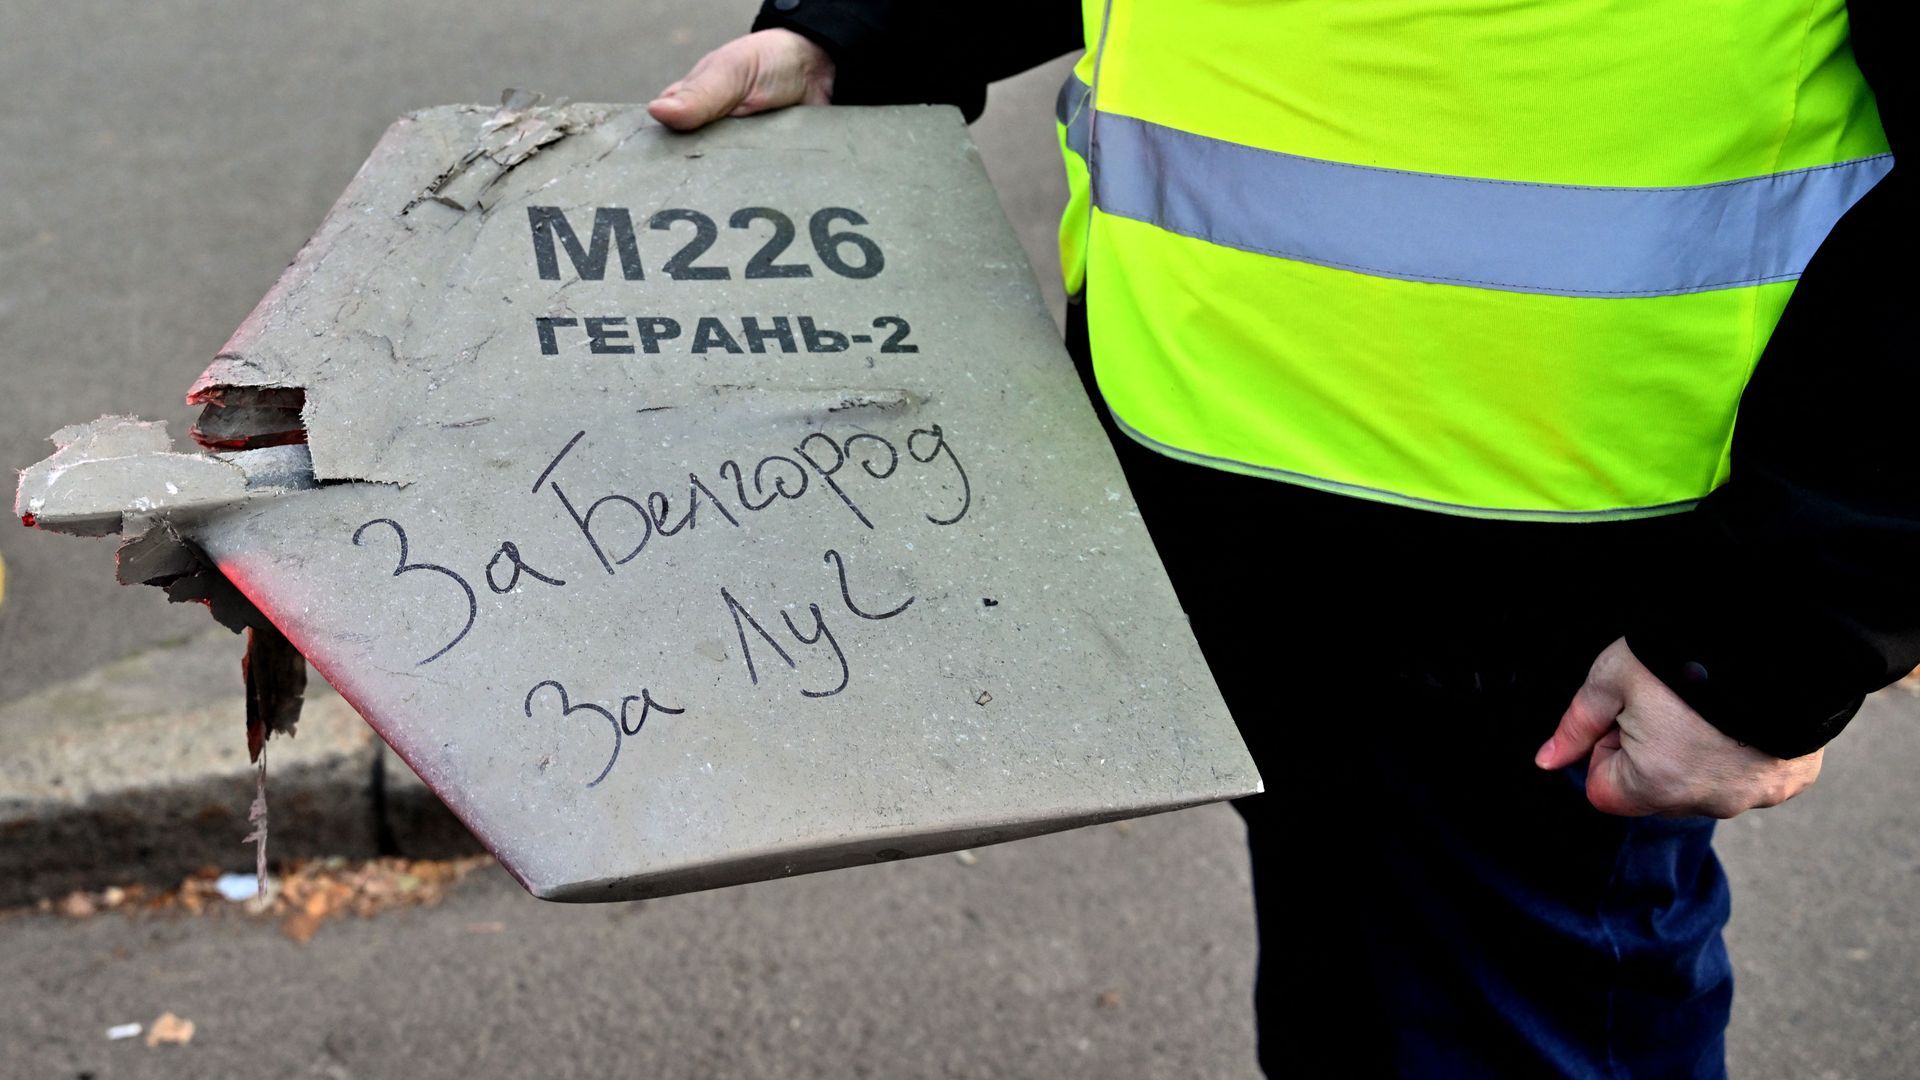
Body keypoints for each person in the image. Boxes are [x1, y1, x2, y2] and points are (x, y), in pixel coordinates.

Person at [649, 4, 1910, 1076]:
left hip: (1561, 593)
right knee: (1339, 1016)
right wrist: (863, 30)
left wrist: (1780, 630)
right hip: (1217, 508)